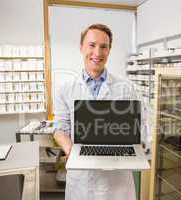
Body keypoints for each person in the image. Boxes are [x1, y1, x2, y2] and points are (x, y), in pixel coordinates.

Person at [53, 23, 137, 200]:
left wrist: (139, 145)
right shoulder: (65, 88)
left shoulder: (126, 88)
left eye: (104, 47)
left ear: (109, 50)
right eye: (91, 45)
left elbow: (139, 125)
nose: (97, 53)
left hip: (117, 177)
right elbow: (60, 128)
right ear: (81, 47)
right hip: (82, 177)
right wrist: (70, 151)